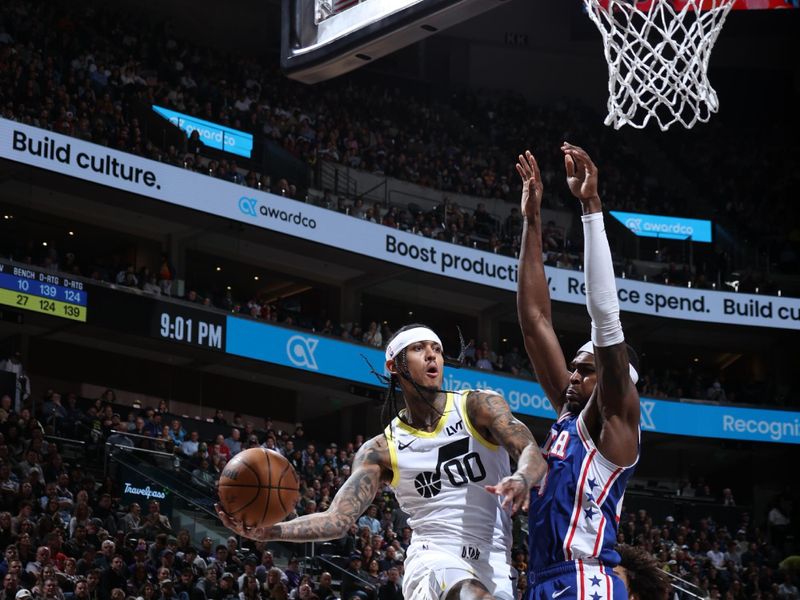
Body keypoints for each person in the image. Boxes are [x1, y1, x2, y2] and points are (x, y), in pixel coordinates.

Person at [219, 324, 547, 600]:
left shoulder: (479, 406)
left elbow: (531, 451)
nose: (432, 354)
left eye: (436, 348)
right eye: (419, 348)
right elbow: (338, 520)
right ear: (395, 365)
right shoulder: (382, 449)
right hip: (433, 559)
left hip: (495, 563)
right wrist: (271, 531)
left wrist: (522, 478)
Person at [516, 146, 641, 599]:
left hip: (586, 579)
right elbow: (535, 321)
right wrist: (531, 221)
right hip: (544, 579)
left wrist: (590, 208)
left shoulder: (614, 425)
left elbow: (606, 319)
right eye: (573, 368)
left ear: (612, 380)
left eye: (585, 371)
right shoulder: (571, 418)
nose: (571, 376)